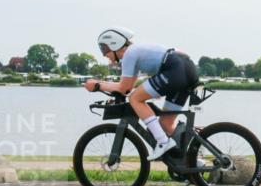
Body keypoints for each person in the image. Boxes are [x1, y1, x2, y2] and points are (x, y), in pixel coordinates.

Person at [84, 27, 199, 160]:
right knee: (165, 124)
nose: (104, 54)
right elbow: (127, 87)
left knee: (135, 99)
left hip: (175, 70)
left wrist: (97, 85)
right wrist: (103, 85)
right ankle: (193, 161)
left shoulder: (129, 54)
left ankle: (163, 142)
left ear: (114, 44)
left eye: (104, 49)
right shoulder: (135, 53)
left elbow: (124, 89)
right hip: (187, 70)